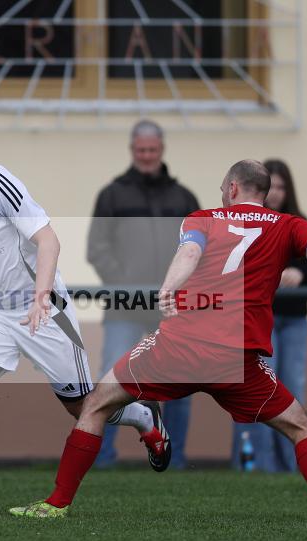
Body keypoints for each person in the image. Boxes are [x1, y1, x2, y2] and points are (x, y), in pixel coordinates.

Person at [10, 159, 307, 521]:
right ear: (265, 193)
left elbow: (189, 254)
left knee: (96, 404)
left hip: (179, 347)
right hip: (236, 360)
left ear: (233, 188)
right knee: (300, 425)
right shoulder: (290, 225)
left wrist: (169, 287)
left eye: (223, 188)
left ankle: (55, 504)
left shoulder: (204, 218)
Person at [0, 107, 170, 516]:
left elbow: (48, 240)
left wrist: (40, 298)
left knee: (83, 407)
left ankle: (144, 416)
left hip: (43, 309)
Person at [87, 119, 200, 469]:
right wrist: (125, 283)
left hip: (172, 309)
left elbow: (199, 249)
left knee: (180, 384)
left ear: (161, 150)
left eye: (152, 150)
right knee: (112, 382)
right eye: (141, 150)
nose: (147, 156)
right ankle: (102, 458)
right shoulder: (112, 195)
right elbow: (97, 248)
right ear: (132, 151)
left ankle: (174, 459)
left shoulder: (183, 198)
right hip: (124, 308)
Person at [231, 159, 307, 472]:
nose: (276, 193)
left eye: (282, 186)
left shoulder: (298, 222)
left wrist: (300, 273)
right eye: (271, 186)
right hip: (258, 321)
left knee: (293, 388)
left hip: (293, 319)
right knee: (258, 391)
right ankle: (258, 465)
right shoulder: (246, 222)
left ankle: (292, 465)